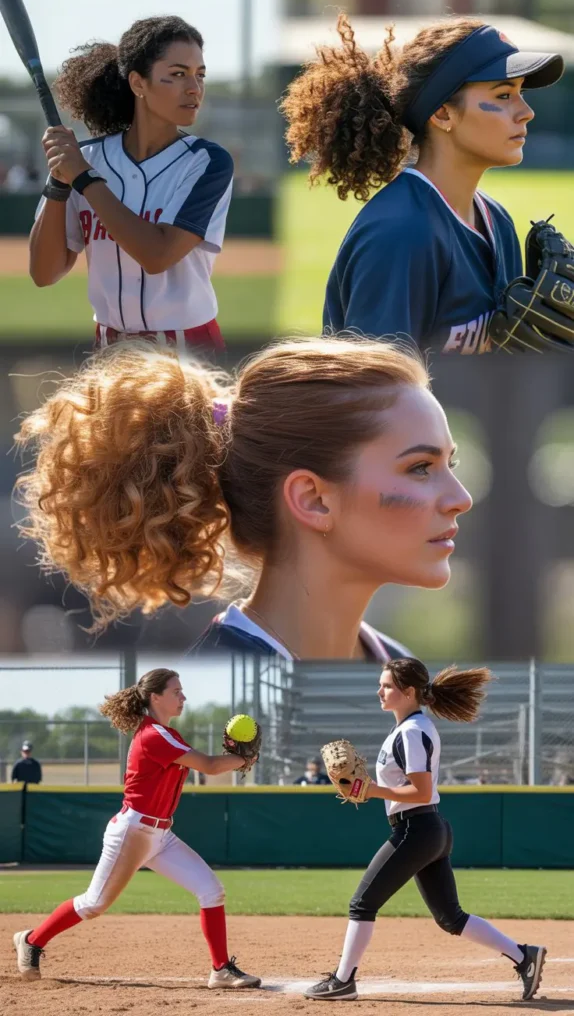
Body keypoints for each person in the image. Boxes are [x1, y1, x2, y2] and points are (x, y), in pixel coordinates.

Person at [15, 336, 471, 661]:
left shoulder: (402, 670)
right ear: (312, 499)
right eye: (419, 468)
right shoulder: (207, 707)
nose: (460, 498)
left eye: (450, 464)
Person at [281, 16, 564, 355]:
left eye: (520, 92)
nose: (526, 112)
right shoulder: (401, 232)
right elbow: (373, 392)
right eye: (503, 95)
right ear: (443, 114)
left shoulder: (496, 221)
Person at [304, 658, 546, 1002]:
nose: (380, 690)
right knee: (451, 917)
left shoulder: (412, 732)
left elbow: (419, 791)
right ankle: (525, 957)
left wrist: (373, 790)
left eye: (387, 685)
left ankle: (343, 981)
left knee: (362, 904)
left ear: (409, 692)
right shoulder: (409, 729)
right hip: (427, 828)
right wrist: (374, 790)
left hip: (415, 828)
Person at [12, 668, 261, 989]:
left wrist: (239, 758)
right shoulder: (154, 736)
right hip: (133, 833)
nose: (183, 697)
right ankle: (32, 939)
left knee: (212, 891)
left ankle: (221, 970)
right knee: (93, 904)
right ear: (155, 697)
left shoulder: (168, 734)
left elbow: (209, 764)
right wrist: (245, 758)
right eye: (176, 691)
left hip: (160, 835)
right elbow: (211, 767)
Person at [29, 16, 233, 352]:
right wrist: (59, 181)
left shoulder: (207, 162)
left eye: (200, 75)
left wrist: (83, 178)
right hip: (109, 352)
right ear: (138, 83)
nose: (194, 88)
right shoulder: (86, 158)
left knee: (210, 410)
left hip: (190, 351)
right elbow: (43, 273)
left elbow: (157, 255)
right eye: (178, 74)